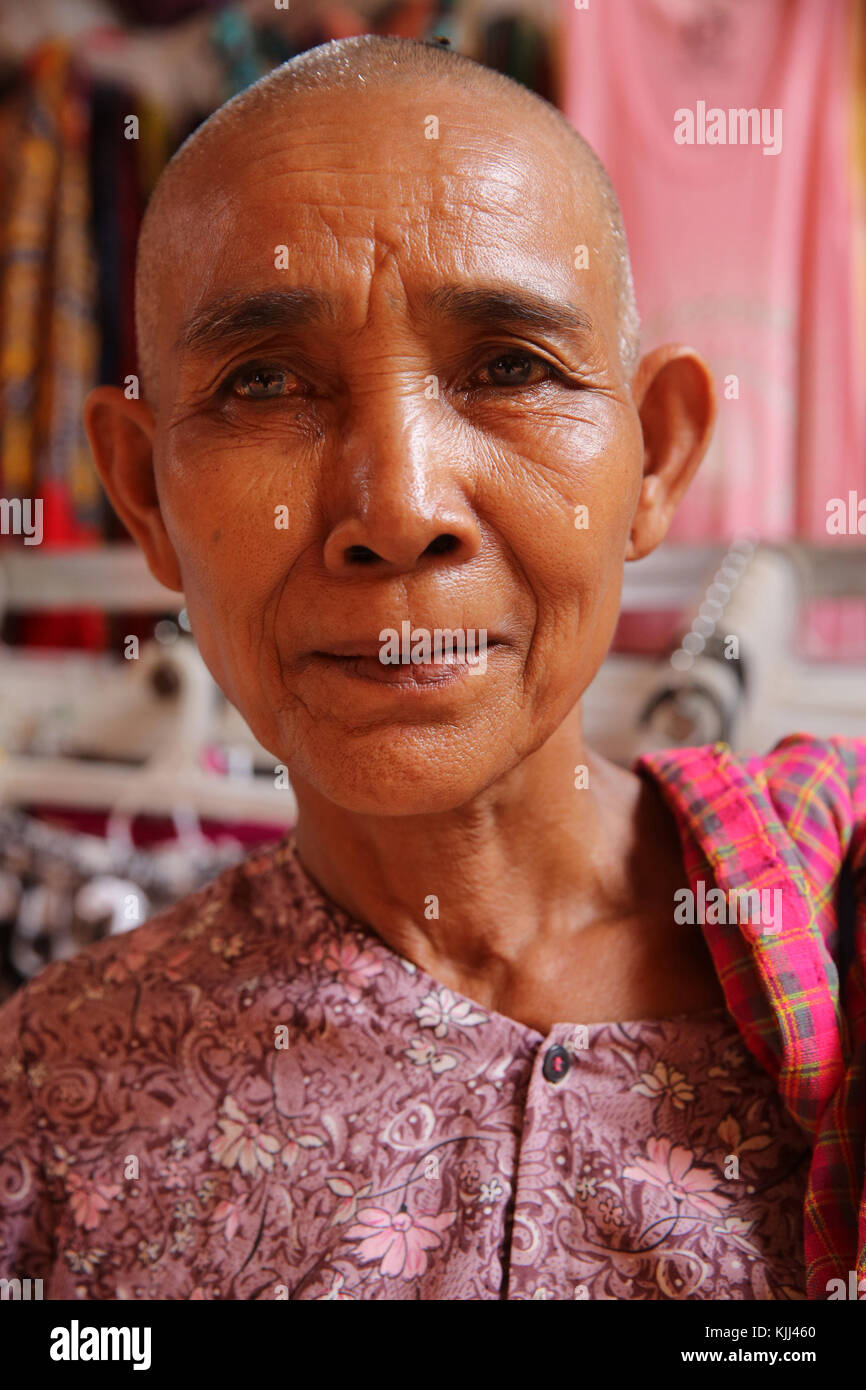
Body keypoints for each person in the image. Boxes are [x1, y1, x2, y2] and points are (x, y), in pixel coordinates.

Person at [0, 34, 863, 1302]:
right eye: (265, 383)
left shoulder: (836, 921)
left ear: (655, 461)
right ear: (143, 494)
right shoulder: (47, 1105)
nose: (397, 508)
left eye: (511, 368)